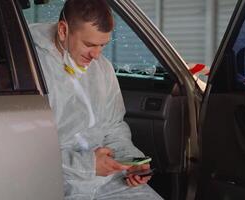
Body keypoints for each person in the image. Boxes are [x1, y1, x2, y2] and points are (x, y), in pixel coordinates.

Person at [29, 0, 164, 199]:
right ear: (63, 31)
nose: (96, 54)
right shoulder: (30, 69)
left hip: (107, 179)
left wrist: (130, 161)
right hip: (60, 184)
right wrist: (87, 166)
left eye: (103, 45)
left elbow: (113, 127)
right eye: (89, 44)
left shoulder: (102, 69)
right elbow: (27, 151)